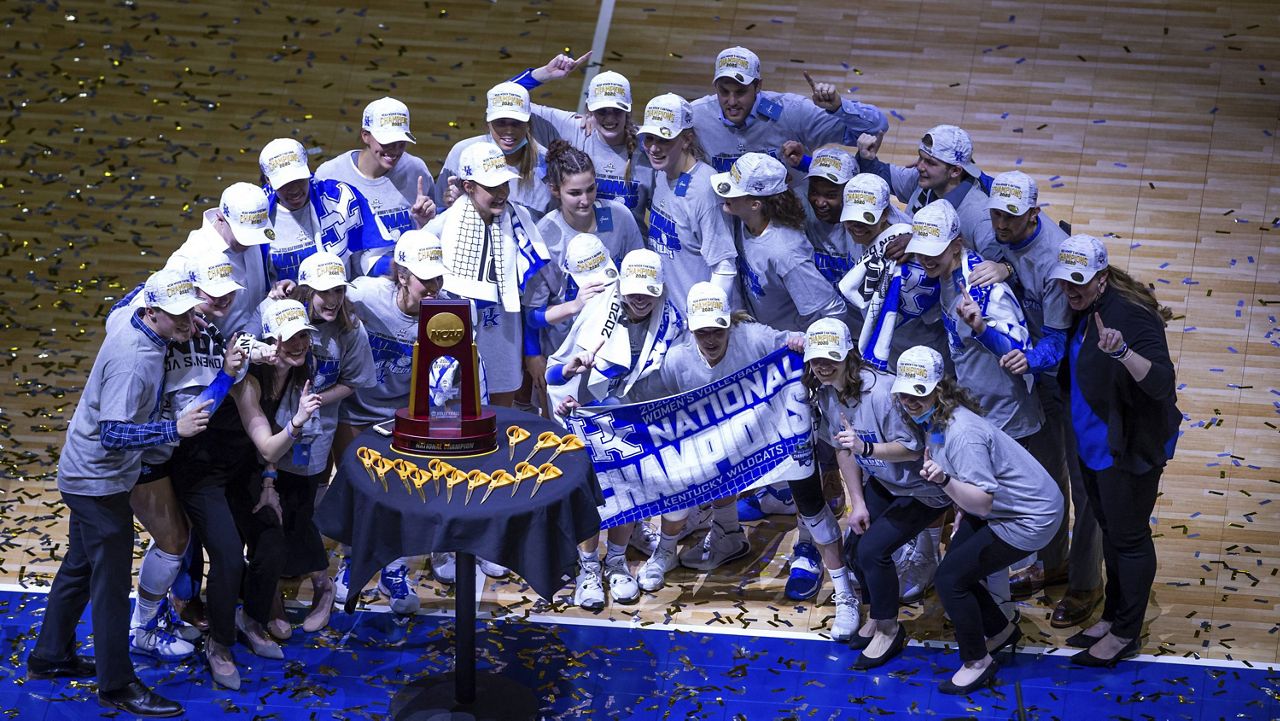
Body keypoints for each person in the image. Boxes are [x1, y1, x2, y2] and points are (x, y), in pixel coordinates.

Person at [27, 267, 210, 718]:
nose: (189, 322)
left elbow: (137, 298)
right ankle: (117, 684)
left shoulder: (135, 319)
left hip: (88, 474)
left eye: (191, 312)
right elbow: (113, 433)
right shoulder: (135, 360)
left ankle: (50, 655)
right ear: (152, 312)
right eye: (179, 316)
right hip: (97, 483)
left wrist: (185, 326)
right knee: (109, 586)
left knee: (79, 564)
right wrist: (175, 427)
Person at [331, 229, 495, 605]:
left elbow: (465, 374)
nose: (434, 286)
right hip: (356, 412)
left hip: (405, 418)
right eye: (425, 278)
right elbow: (326, 298)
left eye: (439, 276)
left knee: (402, 494)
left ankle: (393, 570)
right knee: (357, 490)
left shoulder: (453, 312)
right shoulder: (366, 295)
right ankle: (353, 561)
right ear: (402, 275)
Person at [712, 151, 849, 595]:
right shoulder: (747, 224)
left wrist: (811, 359)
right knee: (783, 451)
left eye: (737, 194)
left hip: (802, 369)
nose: (726, 200)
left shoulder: (786, 250)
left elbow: (828, 313)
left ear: (759, 203)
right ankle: (780, 498)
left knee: (814, 460)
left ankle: (810, 548)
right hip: (771, 359)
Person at [893, 345, 1063, 693]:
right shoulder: (936, 420)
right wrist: (958, 504)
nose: (910, 401)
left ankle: (977, 661)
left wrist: (943, 482)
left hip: (1029, 517)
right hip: (1008, 506)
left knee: (950, 580)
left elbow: (982, 503)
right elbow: (962, 477)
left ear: (938, 390)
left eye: (918, 393)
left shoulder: (962, 434)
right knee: (955, 568)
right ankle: (1001, 630)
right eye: (905, 393)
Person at [976, 171, 1104, 626]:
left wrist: (1026, 361)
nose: (1001, 224)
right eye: (996, 213)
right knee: (1047, 479)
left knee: (1087, 485)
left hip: (1070, 381)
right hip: (1036, 384)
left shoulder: (1052, 257)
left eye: (1011, 216)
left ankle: (1087, 583)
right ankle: (1054, 565)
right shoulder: (998, 230)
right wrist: (1008, 266)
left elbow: (1054, 342)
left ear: (1034, 213)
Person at [1048, 234, 1180, 667]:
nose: (1071, 291)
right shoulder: (1084, 308)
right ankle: (1113, 615)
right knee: (1112, 534)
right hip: (1093, 444)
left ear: (1102, 278)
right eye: (1065, 283)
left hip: (1128, 450)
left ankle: (1126, 631)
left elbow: (1161, 383)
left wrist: (1123, 352)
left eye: (1079, 283)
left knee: (1130, 539)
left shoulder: (1132, 316)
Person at [547, 244, 687, 607]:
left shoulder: (673, 322)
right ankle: (589, 568)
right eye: (633, 290)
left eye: (648, 291)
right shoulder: (598, 310)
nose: (640, 298)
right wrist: (570, 371)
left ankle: (616, 562)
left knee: (631, 492)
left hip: (634, 417)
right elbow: (553, 372)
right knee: (595, 498)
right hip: (588, 413)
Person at [645, 283, 807, 572]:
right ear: (690, 329)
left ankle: (808, 547)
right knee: (677, 475)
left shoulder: (755, 337)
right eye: (702, 332)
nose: (710, 339)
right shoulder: (676, 359)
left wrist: (800, 341)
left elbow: (800, 341)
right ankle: (684, 544)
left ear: (730, 323)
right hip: (711, 441)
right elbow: (661, 407)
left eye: (717, 330)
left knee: (804, 470)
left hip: (763, 430)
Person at [274, 252, 376, 633]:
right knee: (275, 506)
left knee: (298, 508)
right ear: (305, 290)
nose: (332, 299)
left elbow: (355, 382)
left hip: (315, 436)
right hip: (270, 432)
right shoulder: (283, 317)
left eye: (337, 290)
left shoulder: (351, 331)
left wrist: (317, 399)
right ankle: (279, 584)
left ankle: (322, 585)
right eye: (322, 291)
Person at [223, 299, 326, 664]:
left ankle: (252, 617)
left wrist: (269, 483)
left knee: (272, 545)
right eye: (290, 337)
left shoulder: (302, 370)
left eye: (304, 335)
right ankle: (218, 632)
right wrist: (297, 422)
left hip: (255, 469)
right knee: (227, 555)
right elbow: (268, 445)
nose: (299, 343)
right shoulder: (249, 379)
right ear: (271, 341)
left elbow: (269, 456)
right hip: (218, 469)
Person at [426, 141, 551, 409]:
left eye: (504, 185)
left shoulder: (521, 222)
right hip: (456, 336)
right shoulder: (442, 226)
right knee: (452, 412)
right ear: (469, 187)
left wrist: (531, 350)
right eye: (492, 187)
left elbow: (531, 296)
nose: (501, 193)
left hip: (503, 336)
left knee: (500, 414)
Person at [510, 53, 656, 227]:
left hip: (629, 248)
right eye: (602, 111)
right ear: (589, 111)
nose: (609, 119)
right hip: (576, 248)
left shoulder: (650, 144)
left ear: (628, 112)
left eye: (616, 111)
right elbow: (503, 99)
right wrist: (544, 74)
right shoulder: (573, 128)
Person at [689, 45, 888, 172]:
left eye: (740, 92)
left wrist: (838, 106)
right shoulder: (695, 116)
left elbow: (875, 128)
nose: (731, 101)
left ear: (758, 86)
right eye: (724, 92)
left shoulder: (792, 112)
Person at [637, 93, 737, 313]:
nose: (654, 148)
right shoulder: (662, 172)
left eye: (664, 139)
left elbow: (724, 266)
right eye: (649, 138)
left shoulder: (704, 191)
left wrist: (704, 319)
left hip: (692, 323)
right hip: (668, 316)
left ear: (687, 139)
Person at [315, 96, 438, 275]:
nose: (395, 150)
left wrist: (426, 222)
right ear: (365, 136)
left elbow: (429, 232)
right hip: (354, 291)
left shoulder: (416, 170)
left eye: (401, 142)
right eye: (387, 142)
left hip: (411, 283)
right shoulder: (329, 176)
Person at [859, 125, 1000, 262]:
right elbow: (881, 177)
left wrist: (918, 243)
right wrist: (867, 158)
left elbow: (996, 270)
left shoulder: (979, 217)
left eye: (930, 162)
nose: (919, 166)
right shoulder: (925, 181)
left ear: (956, 171)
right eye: (920, 158)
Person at [258, 137, 382, 282]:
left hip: (338, 300)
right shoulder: (257, 215)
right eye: (284, 183)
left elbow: (370, 254)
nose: (294, 190)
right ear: (268, 180)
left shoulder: (341, 198)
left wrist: (393, 268)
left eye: (298, 179)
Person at [170, 181, 276, 337]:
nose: (251, 242)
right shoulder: (188, 258)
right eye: (244, 236)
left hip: (255, 343)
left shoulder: (250, 238)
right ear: (220, 218)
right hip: (217, 354)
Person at [435, 82, 552, 217]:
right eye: (500, 123)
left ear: (528, 124)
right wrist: (455, 206)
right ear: (488, 122)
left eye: (517, 123)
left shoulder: (548, 162)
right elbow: (439, 209)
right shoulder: (462, 152)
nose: (509, 131)